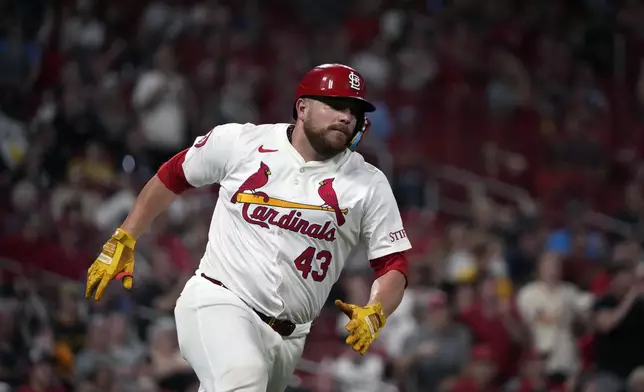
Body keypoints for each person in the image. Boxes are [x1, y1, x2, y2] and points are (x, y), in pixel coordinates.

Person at [84, 63, 412, 392]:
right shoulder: (243, 142)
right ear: (303, 107)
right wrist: (124, 237)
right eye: (336, 105)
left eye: (353, 110)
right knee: (245, 379)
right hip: (220, 301)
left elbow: (393, 264)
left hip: (290, 337)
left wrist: (376, 310)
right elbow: (174, 174)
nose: (346, 117)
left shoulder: (368, 182)